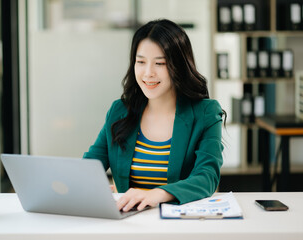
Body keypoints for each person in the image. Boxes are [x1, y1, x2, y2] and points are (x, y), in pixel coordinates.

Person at [83, 19, 226, 212]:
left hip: (180, 224)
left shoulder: (205, 113)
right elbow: (90, 166)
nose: (148, 73)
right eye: (140, 62)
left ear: (179, 67)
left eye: (160, 63)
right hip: (129, 223)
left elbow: (206, 177)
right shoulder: (120, 111)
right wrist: (85, 186)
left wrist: (155, 194)